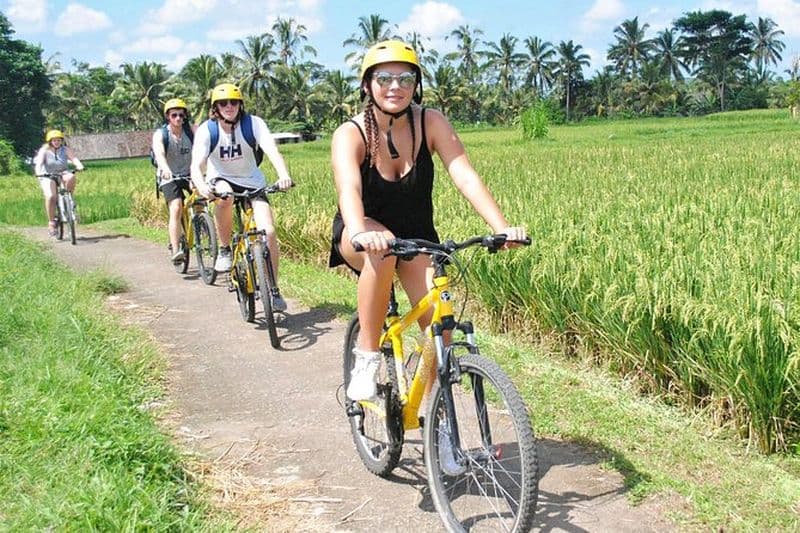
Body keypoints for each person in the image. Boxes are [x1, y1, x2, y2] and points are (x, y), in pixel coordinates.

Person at [330, 40, 527, 401]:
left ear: (416, 84)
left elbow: (464, 174)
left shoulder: (429, 121)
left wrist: (501, 226)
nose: (395, 87)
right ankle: (368, 355)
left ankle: (437, 423)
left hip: (417, 236)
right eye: (384, 78)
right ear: (366, 85)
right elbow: (349, 190)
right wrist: (359, 230)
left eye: (405, 78)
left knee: (441, 336)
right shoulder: (350, 133)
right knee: (382, 250)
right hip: (362, 232)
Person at [190, 82, 294, 311]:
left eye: (233, 102)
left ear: (240, 104)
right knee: (225, 196)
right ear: (215, 107)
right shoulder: (208, 130)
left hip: (253, 182)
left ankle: (273, 288)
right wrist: (201, 185)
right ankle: (225, 249)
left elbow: (271, 150)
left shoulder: (253, 123)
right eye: (223, 103)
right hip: (221, 179)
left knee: (269, 232)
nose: (229, 106)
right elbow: (197, 164)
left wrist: (283, 175)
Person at [152, 97, 195, 264]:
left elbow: (202, 150)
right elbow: (159, 154)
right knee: (176, 207)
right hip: (168, 175)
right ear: (168, 117)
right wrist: (166, 169)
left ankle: (201, 226)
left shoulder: (190, 132)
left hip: (189, 173)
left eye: (181, 115)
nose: (178, 119)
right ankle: (176, 248)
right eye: (174, 115)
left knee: (201, 199)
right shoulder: (161, 134)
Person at [33, 129, 84, 237]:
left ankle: (69, 198)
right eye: (54, 140)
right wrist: (38, 173)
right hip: (48, 175)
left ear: (62, 141)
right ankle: (51, 223)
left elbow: (74, 158)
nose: (57, 142)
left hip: (63, 173)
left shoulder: (65, 149)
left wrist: (79, 166)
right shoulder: (44, 150)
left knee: (71, 177)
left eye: (59, 140)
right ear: (50, 141)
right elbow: (39, 164)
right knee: (51, 197)